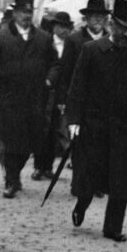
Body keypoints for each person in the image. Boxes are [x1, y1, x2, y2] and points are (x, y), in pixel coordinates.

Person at [66, 0, 127, 243]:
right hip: (95, 126)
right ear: (111, 25)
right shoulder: (91, 50)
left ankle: (113, 227)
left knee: (122, 178)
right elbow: (77, 88)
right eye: (121, 28)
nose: (125, 34)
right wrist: (74, 120)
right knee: (90, 175)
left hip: (126, 128)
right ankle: (81, 205)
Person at [0, 0, 60, 199]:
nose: (26, 16)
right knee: (10, 141)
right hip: (7, 100)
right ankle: (11, 180)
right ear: (14, 13)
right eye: (22, 12)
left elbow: (55, 64)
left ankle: (14, 175)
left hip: (35, 100)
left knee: (28, 143)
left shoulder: (43, 38)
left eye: (29, 11)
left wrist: (49, 79)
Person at [32, 11, 76, 180]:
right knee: (40, 129)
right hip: (44, 92)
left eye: (67, 27)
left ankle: (48, 167)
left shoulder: (72, 43)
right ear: (54, 27)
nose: (64, 30)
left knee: (56, 131)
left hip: (63, 94)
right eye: (60, 27)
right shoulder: (45, 42)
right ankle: (38, 166)